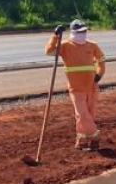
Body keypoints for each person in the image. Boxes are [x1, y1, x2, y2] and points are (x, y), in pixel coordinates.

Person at [45, 19, 106, 151]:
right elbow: (49, 51)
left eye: (84, 31)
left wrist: (100, 73)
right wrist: (55, 36)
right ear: (72, 32)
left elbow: (101, 59)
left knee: (88, 115)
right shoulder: (65, 46)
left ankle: (82, 141)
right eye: (79, 32)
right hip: (76, 88)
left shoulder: (92, 45)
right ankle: (95, 136)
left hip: (92, 87)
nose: (82, 34)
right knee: (83, 114)